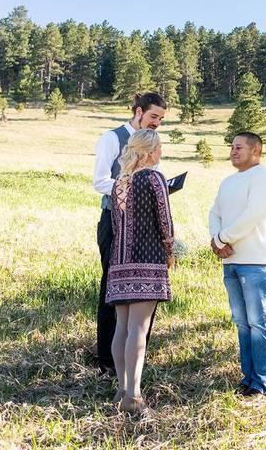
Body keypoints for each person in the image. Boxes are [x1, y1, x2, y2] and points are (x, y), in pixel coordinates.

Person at [91, 93, 167, 374]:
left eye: (160, 119)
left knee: (144, 293)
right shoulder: (112, 139)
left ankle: (135, 358)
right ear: (138, 112)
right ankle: (107, 360)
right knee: (113, 291)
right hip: (115, 223)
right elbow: (100, 181)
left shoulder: (153, 144)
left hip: (146, 227)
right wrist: (131, 187)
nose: (157, 123)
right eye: (153, 117)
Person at [106, 128, 175, 413]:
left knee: (122, 328)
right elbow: (165, 221)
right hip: (146, 260)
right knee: (139, 329)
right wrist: (170, 251)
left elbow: (115, 227)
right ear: (148, 151)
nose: (160, 153)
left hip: (119, 262)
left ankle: (122, 388)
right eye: (158, 148)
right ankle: (133, 397)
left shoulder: (119, 182)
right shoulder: (154, 178)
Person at [209, 132, 266, 397]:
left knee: (259, 322)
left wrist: (222, 238)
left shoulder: (264, 178)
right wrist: (216, 240)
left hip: (258, 263)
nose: (233, 151)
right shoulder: (228, 181)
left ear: (256, 151)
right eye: (231, 146)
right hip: (232, 262)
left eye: (239, 147)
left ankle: (263, 383)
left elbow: (253, 215)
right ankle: (248, 378)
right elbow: (214, 212)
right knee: (241, 322)